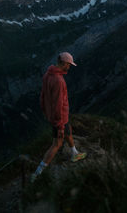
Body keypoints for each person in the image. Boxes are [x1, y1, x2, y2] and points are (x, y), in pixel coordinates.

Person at [31, 52, 86, 182]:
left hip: (56, 116)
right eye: (69, 65)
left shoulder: (47, 75)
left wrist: (46, 112)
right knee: (57, 144)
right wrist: (59, 124)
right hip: (59, 118)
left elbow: (42, 96)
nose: (70, 67)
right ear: (64, 63)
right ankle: (38, 173)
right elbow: (58, 104)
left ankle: (74, 153)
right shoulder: (59, 81)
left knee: (68, 130)